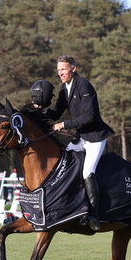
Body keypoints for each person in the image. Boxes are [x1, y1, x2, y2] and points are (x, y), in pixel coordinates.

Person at [34, 55, 114, 230]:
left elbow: (90, 116)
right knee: (63, 163)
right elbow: (56, 113)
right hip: (81, 138)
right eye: (58, 70)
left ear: (73, 68)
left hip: (95, 137)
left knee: (87, 172)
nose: (60, 73)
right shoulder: (65, 89)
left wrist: (64, 124)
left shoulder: (84, 85)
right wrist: (40, 111)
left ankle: (93, 214)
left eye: (63, 69)